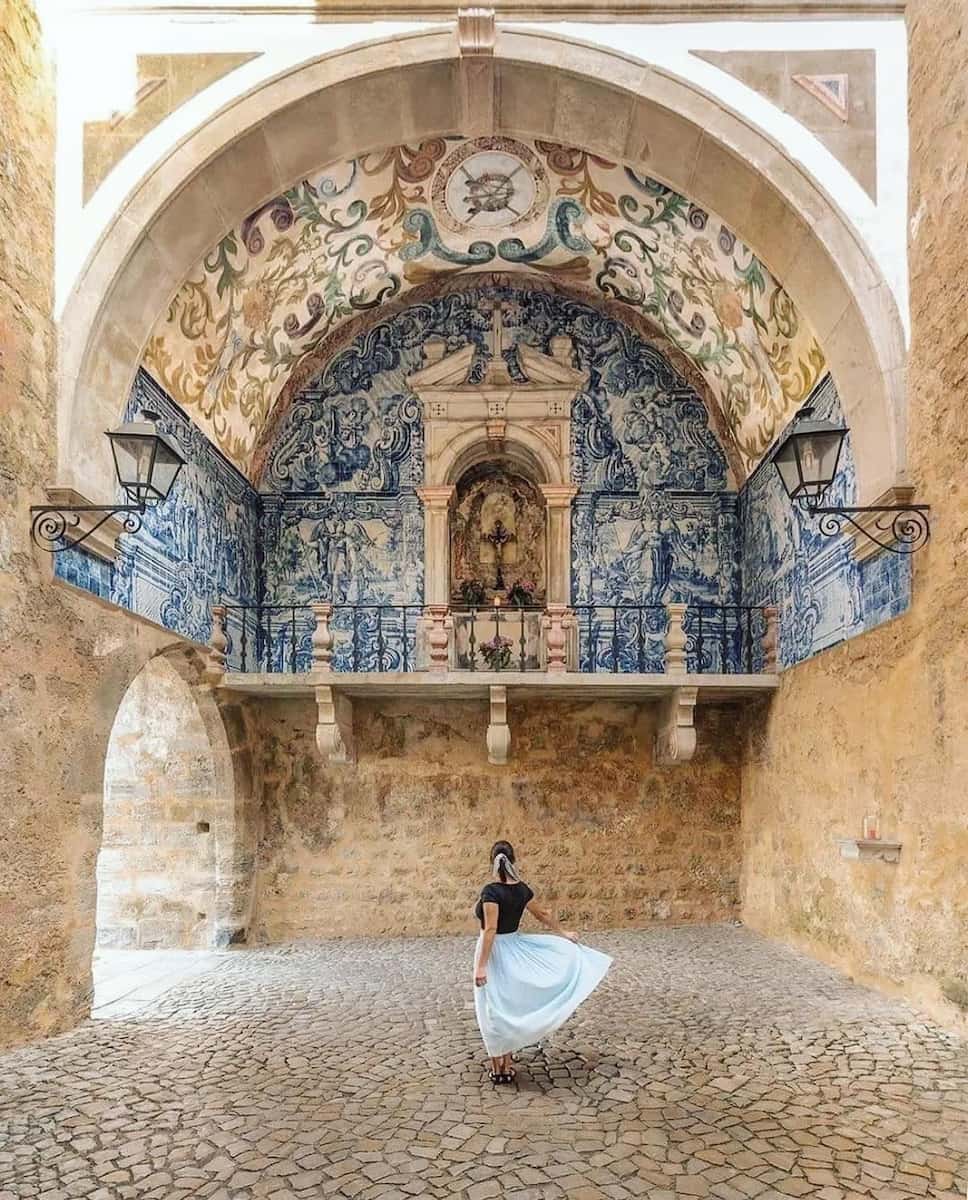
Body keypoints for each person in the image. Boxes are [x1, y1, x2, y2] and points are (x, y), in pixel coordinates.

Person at [473, 840, 613, 1085]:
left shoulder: (491, 892)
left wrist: (482, 965)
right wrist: (563, 932)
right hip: (515, 948)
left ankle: (500, 1068)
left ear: (492, 863)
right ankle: (506, 1059)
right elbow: (542, 914)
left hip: (495, 953)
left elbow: (490, 929)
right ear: (513, 861)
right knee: (507, 1005)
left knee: (492, 1008)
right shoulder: (521, 889)